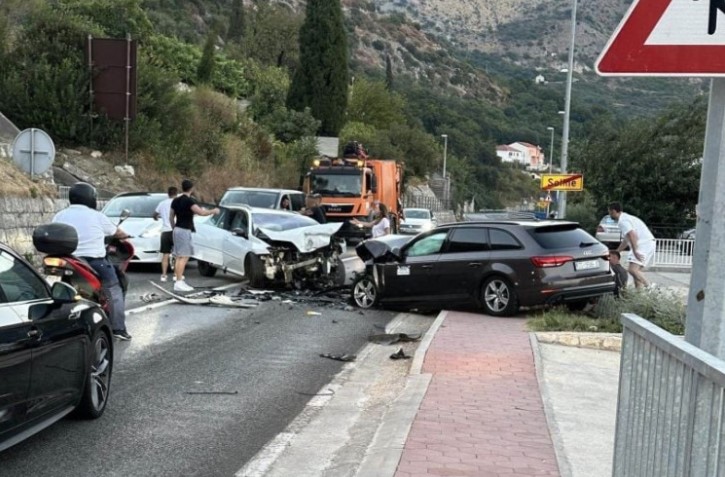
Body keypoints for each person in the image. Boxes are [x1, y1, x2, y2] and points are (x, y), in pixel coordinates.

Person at [53, 182, 132, 341]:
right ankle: (118, 328)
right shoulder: (96, 215)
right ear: (90, 198)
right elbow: (116, 232)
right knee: (114, 288)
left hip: (67, 260)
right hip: (94, 261)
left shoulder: (59, 215)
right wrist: (125, 236)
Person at [169, 179, 220, 292]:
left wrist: (174, 228)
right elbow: (201, 213)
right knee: (185, 256)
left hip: (176, 229)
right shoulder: (189, 201)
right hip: (184, 230)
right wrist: (214, 211)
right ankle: (179, 282)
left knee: (179, 256)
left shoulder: (175, 200)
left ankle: (178, 280)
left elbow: (171, 216)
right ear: (192, 189)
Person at [608, 202, 656, 289]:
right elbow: (626, 240)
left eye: (609, 212)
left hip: (643, 244)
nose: (609, 214)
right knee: (636, 273)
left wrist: (635, 251)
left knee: (632, 270)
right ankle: (638, 297)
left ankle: (650, 287)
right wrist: (617, 252)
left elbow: (632, 235)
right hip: (647, 243)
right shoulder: (626, 218)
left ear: (614, 211)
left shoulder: (623, 221)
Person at [153, 186, 178, 282]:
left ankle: (163, 275)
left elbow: (154, 215)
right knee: (177, 254)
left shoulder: (162, 203)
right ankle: (176, 274)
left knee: (165, 254)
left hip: (165, 231)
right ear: (176, 193)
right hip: (176, 230)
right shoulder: (178, 202)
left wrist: (158, 217)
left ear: (168, 194)